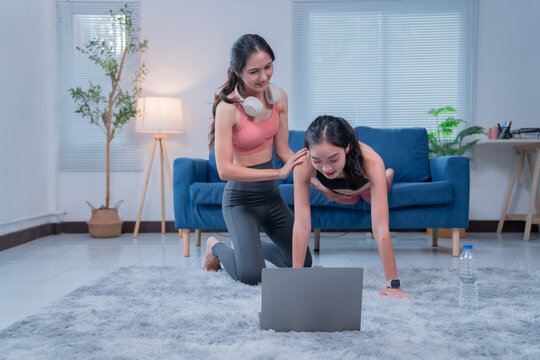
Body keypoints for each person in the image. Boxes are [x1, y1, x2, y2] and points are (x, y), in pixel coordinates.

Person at [204, 34, 312, 285]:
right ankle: (216, 247)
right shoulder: (228, 109)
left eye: (268, 66)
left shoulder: (279, 98)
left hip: (271, 197)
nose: (264, 77)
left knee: (301, 263)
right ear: (237, 72)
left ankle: (247, 249)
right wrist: (278, 173)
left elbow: (283, 149)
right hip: (240, 200)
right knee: (251, 275)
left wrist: (307, 166)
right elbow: (224, 170)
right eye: (254, 71)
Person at [292, 115, 414, 299]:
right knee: (346, 200)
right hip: (340, 193)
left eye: (334, 159)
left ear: (347, 147)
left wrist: (393, 285)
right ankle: (340, 193)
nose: (326, 168)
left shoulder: (371, 160)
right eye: (317, 161)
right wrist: (296, 278)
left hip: (367, 188)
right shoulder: (304, 162)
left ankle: (389, 174)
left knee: (382, 185)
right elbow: (301, 225)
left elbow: (380, 228)